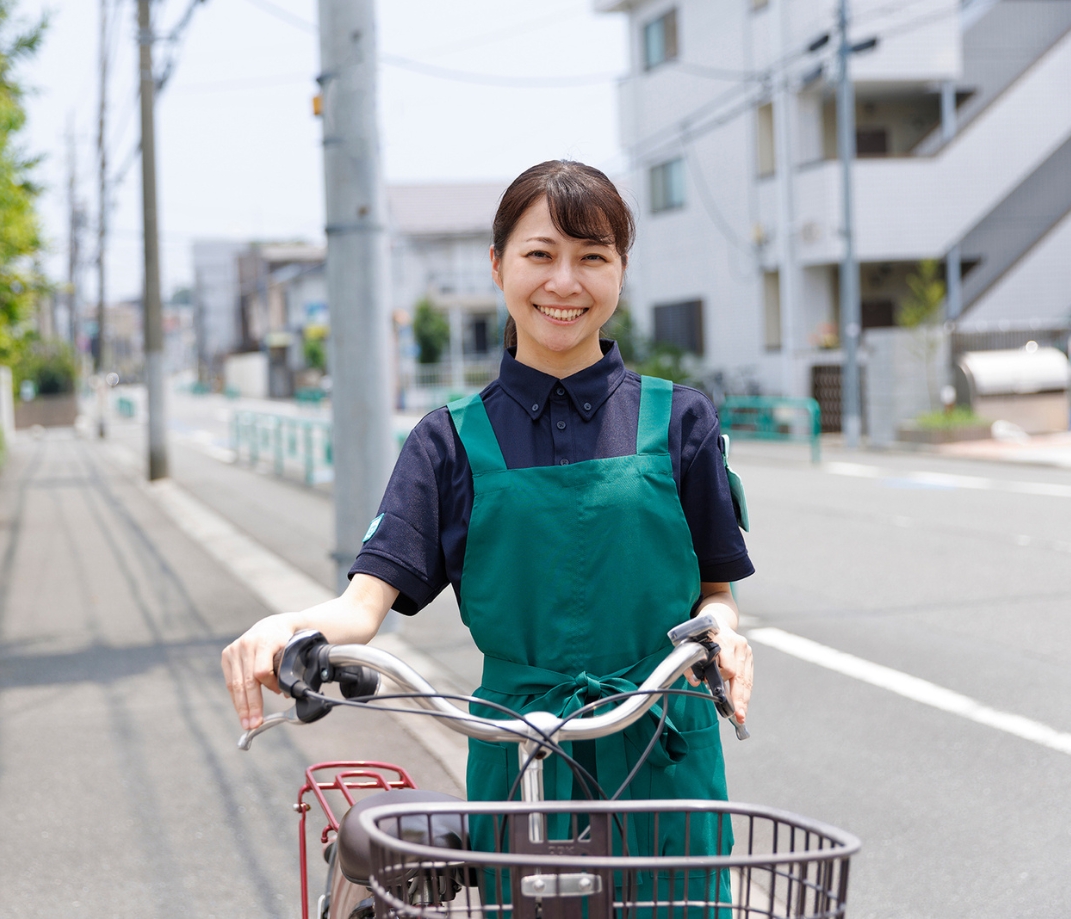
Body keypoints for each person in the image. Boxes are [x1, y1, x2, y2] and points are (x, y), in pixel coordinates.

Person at [221, 160, 754, 871]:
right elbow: (362, 605)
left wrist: (722, 638)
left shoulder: (681, 418)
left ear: (620, 271)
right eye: (540, 255)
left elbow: (716, 594)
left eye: (592, 257)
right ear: (498, 267)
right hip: (518, 751)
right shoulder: (447, 441)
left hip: (664, 749)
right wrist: (284, 627)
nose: (564, 283)